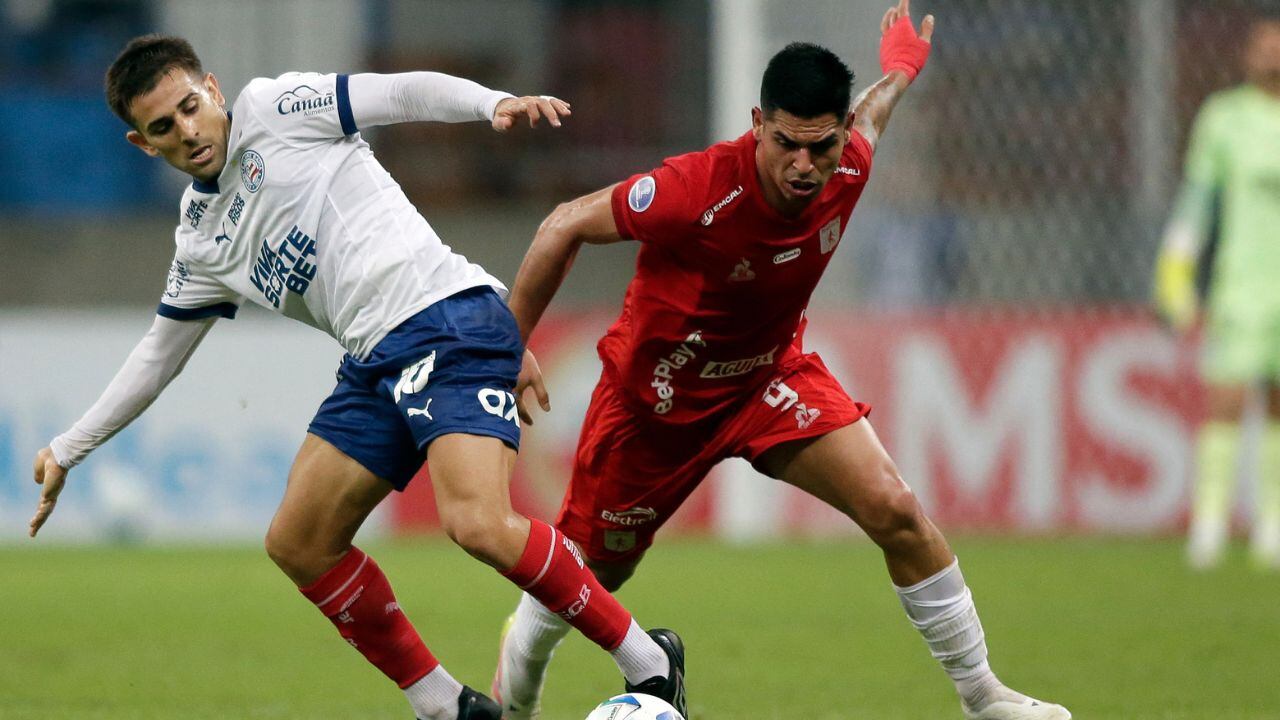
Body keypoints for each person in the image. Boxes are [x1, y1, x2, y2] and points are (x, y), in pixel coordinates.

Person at [27, 34, 686, 720]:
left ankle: (646, 659)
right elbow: (158, 355)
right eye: (163, 126)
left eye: (191, 107)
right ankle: (446, 707)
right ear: (143, 145)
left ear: (214, 90)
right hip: (373, 360)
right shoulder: (199, 241)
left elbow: (396, 94)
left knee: (477, 523)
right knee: (298, 540)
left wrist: (491, 104)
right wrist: (68, 446)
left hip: (446, 319)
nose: (188, 131)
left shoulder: (274, 108)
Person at [492, 3, 1070, 719]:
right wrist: (507, 344)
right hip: (654, 411)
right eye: (786, 145)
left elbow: (872, 116)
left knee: (895, 510)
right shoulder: (695, 190)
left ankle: (984, 699)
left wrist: (900, 71)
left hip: (768, 380)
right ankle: (521, 665)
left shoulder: (846, 162)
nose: (804, 166)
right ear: (757, 122)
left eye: (820, 147)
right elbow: (563, 224)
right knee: (594, 572)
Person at [1155, 13, 1280, 571]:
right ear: (1247, 52)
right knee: (1226, 401)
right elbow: (1196, 205)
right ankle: (1209, 523)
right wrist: (1176, 279)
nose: (1271, 51)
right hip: (1242, 284)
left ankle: (1272, 524)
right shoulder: (1224, 118)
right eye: (1263, 41)